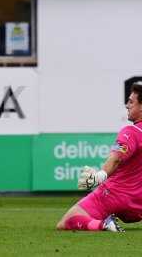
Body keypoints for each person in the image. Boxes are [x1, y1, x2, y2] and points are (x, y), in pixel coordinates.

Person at [57, 82, 142, 232]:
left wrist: (99, 176)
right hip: (138, 204)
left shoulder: (131, 131)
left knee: (66, 222)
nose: (127, 105)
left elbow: (116, 158)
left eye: (131, 102)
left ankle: (104, 225)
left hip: (115, 195)